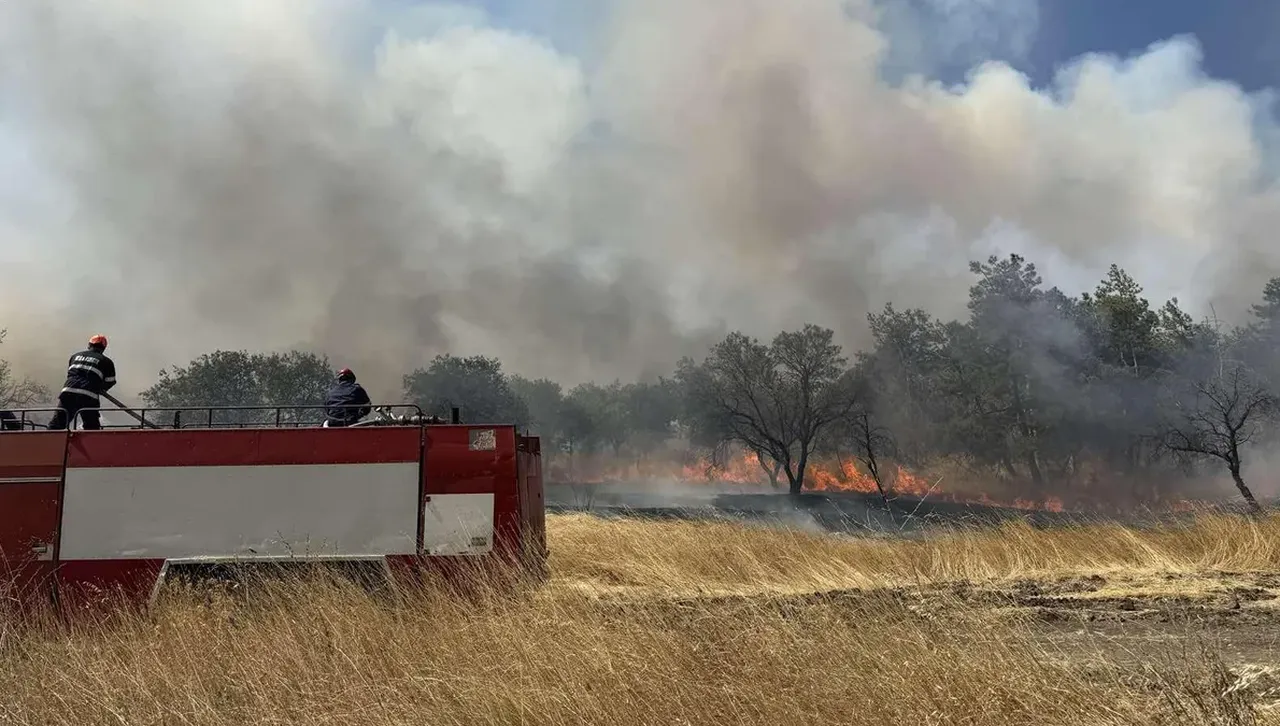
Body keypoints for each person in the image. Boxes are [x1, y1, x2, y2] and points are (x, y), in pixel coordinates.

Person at [47, 334, 116, 431]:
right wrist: (100, 388)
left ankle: (47, 443)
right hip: (89, 395)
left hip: (68, 391)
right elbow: (110, 381)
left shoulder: (75, 356)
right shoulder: (106, 361)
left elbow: (71, 374)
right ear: (103, 348)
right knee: (91, 427)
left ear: (89, 345)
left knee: (57, 424)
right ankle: (91, 445)